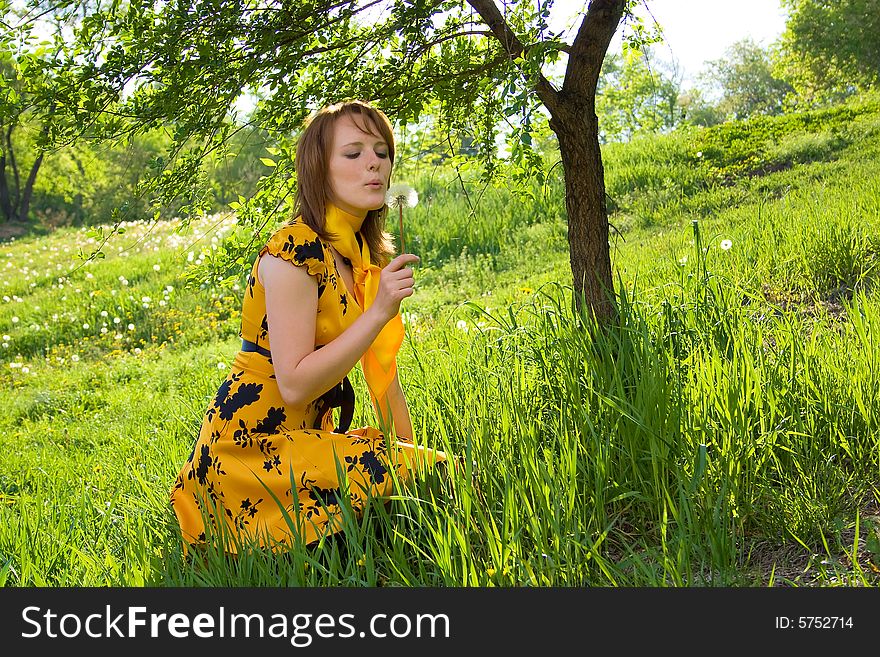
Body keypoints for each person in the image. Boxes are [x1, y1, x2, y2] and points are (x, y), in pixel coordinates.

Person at [170, 99, 447, 552]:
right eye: (353, 153)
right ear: (320, 169)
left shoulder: (359, 256)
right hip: (252, 446)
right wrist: (377, 313)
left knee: (435, 474)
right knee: (415, 481)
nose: (374, 162)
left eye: (381, 151)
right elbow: (296, 384)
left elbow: (380, 367)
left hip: (307, 437)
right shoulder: (295, 252)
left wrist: (407, 456)